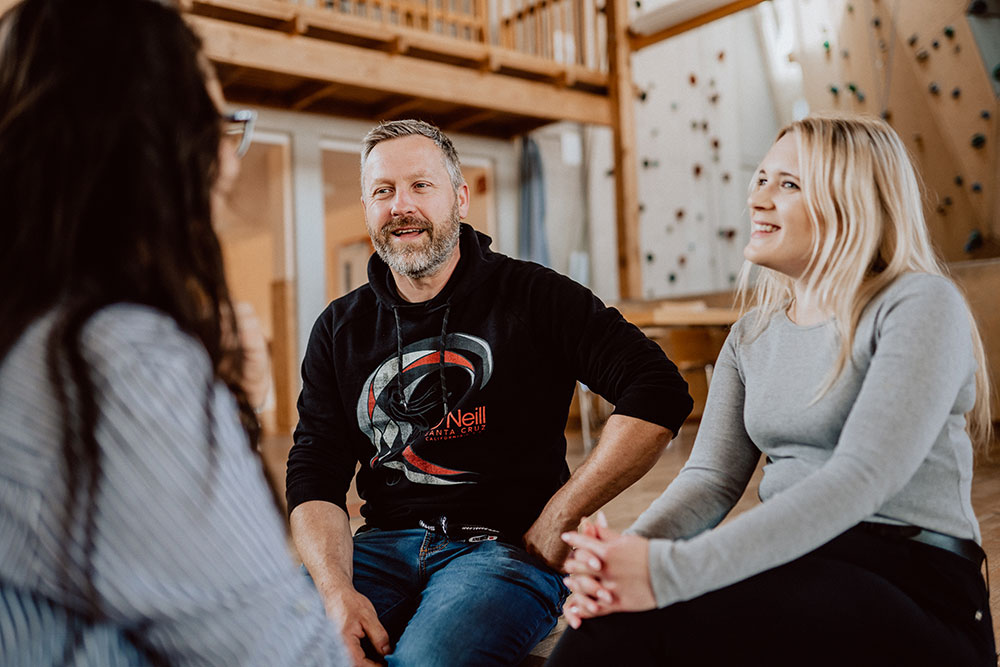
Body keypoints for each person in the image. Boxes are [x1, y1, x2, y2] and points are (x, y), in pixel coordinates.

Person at [547, 115, 997, 666]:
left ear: (851, 200)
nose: (759, 199)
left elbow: (862, 478)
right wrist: (623, 558)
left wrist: (666, 573)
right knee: (611, 618)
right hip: (796, 560)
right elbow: (711, 480)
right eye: (761, 179)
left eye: (789, 184)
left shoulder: (919, 304)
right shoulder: (750, 335)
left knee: (660, 618)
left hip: (909, 580)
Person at [0, 0, 348, 664]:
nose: (232, 158)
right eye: (217, 123)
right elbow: (286, 654)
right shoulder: (115, 365)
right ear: (144, 141)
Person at [287, 119, 693, 666]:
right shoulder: (339, 328)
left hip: (504, 550)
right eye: (383, 191)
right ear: (367, 208)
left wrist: (561, 513)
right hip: (380, 547)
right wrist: (336, 590)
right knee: (274, 645)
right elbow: (314, 470)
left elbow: (658, 389)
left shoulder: (534, 294)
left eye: (420, 186)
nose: (400, 206)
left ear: (460, 198)